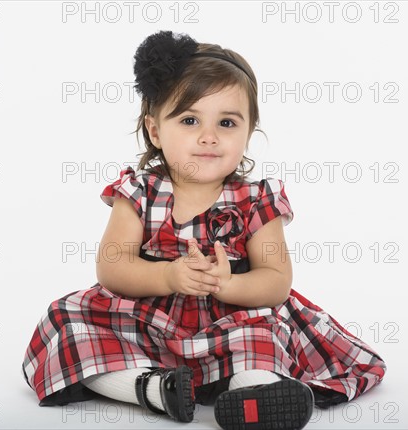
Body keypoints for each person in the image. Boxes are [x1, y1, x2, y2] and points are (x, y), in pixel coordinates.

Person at [22, 30, 387, 430]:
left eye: (227, 122)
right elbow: (112, 267)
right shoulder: (139, 193)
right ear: (156, 130)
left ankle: (258, 392)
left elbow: (276, 281)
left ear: (248, 133)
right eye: (190, 119)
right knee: (66, 321)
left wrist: (226, 285)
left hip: (230, 322)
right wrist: (167, 274)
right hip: (148, 321)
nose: (209, 136)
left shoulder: (254, 199)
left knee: (263, 334)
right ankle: (151, 387)